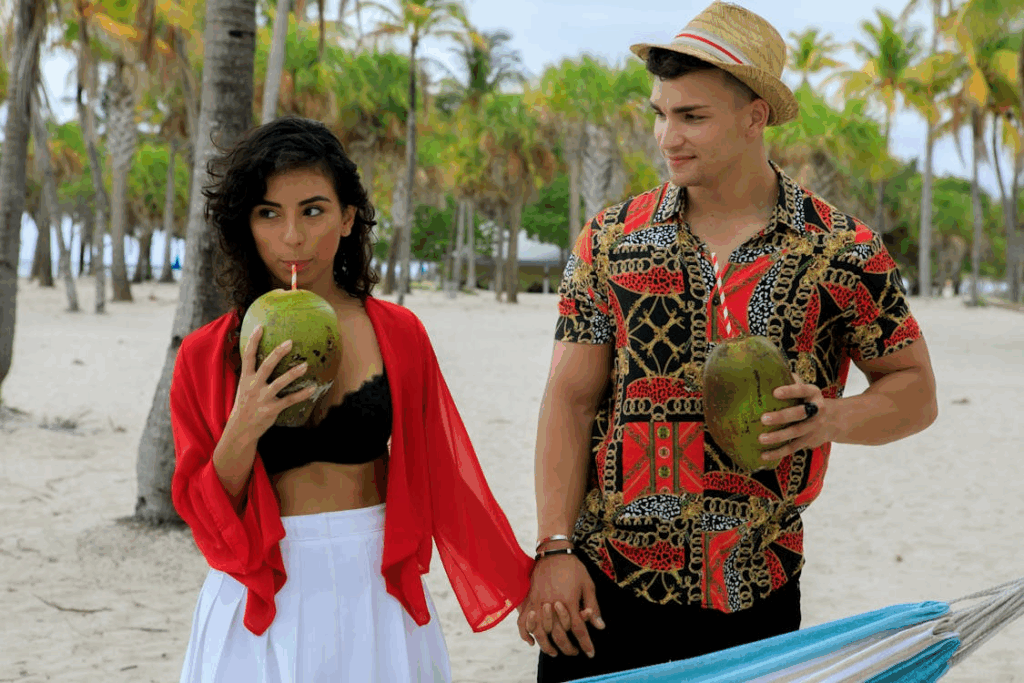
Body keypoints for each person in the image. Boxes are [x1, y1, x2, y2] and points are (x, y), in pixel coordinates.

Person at [516, 2, 939, 681]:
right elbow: (568, 400)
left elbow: (915, 392)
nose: (667, 137)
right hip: (605, 590)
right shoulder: (610, 240)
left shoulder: (842, 250)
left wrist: (831, 419)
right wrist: (555, 548)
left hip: (757, 595)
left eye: (692, 117)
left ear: (755, 117)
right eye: (659, 113)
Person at [169, 116, 533, 682]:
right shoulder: (207, 354)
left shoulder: (399, 334)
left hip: (375, 583)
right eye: (270, 213)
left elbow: (445, 471)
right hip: (263, 591)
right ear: (248, 224)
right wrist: (245, 422)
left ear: (346, 217)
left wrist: (534, 580)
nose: (293, 236)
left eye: (312, 210)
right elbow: (203, 512)